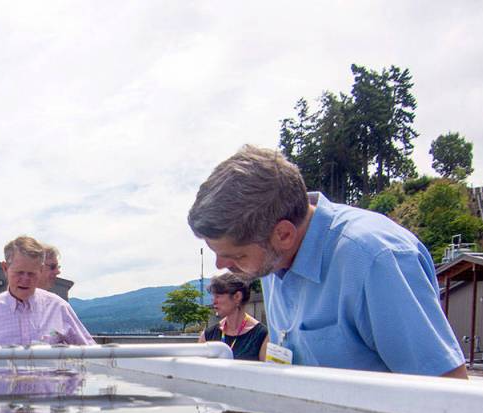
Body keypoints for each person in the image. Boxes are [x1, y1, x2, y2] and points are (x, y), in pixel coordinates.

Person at [187, 145, 467, 378]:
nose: (220, 264)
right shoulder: (273, 260)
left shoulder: (376, 260)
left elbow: (448, 396)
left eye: (236, 255)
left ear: (283, 234)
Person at [0, 236, 94, 346]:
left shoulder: (58, 308)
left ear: (40, 270)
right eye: (19, 272)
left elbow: (90, 354)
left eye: (32, 274)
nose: (25, 279)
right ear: (5, 268)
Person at [197, 272, 269, 361]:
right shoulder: (207, 335)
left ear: (237, 296)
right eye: (213, 297)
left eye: (218, 296)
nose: (214, 302)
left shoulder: (262, 336)